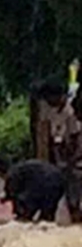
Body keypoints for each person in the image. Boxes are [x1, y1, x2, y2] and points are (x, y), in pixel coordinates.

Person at [38, 82, 82, 222]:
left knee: (73, 198)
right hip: (57, 155)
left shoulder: (71, 111)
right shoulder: (48, 108)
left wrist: (70, 162)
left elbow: (75, 140)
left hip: (72, 158)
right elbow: (44, 135)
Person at [0, 159, 65, 223]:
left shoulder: (13, 175)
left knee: (35, 212)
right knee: (47, 215)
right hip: (56, 180)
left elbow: (16, 197)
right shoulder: (19, 171)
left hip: (46, 183)